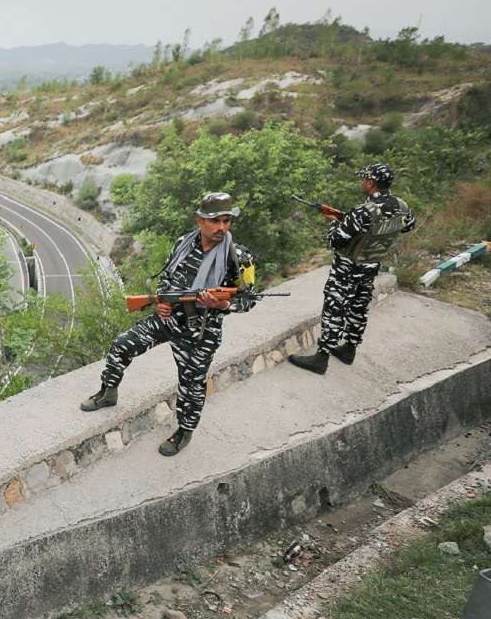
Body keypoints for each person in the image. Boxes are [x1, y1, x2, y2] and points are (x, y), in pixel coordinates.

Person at [80, 193, 258, 456]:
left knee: (191, 385)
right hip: (168, 319)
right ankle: (108, 392)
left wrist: (221, 305)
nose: (222, 227)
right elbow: (167, 279)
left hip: (201, 331)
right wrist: (161, 301)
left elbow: (249, 299)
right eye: (215, 221)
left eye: (226, 221)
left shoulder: (240, 257)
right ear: (200, 220)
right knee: (121, 345)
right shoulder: (183, 244)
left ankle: (184, 432)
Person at [290, 163, 415, 374]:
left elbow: (334, 241)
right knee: (359, 306)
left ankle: (321, 358)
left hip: (347, 268)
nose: (362, 182)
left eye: (364, 179)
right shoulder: (401, 206)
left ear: (371, 182)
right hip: (371, 266)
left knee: (334, 307)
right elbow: (408, 225)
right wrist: (350, 221)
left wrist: (334, 222)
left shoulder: (363, 211)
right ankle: (349, 348)